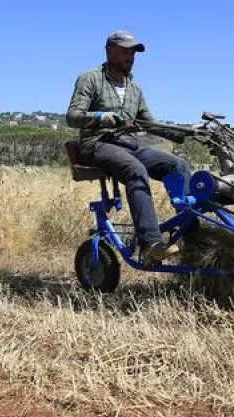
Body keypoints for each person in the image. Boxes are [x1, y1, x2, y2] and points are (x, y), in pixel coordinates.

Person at [65, 30, 191, 265]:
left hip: (128, 145)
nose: (130, 57)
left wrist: (183, 133)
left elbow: (149, 123)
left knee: (178, 166)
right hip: (97, 144)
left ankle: (191, 237)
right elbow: (72, 117)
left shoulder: (135, 88)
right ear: (109, 51)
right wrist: (101, 116)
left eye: (133, 52)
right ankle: (150, 244)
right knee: (136, 170)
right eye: (125, 51)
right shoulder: (90, 78)